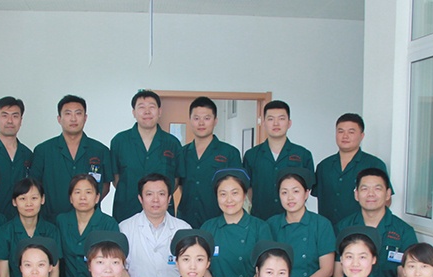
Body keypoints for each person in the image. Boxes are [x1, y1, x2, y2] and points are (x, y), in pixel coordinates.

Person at [30, 94, 112, 222]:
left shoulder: (100, 150)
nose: (73, 119)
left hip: (90, 221)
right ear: (59, 119)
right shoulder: (43, 150)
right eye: (68, 114)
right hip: (52, 221)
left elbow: (106, 185)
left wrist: (87, 204)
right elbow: (34, 186)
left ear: (85, 118)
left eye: (78, 113)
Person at [335, 167, 418, 277]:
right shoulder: (343, 227)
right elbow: (338, 272)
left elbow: (405, 276)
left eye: (377, 189)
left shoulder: (404, 231)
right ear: (356, 194)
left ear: (388, 194)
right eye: (364, 189)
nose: (371, 194)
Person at [201, 168, 272, 277]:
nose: (229, 200)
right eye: (223, 194)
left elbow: (266, 268)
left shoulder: (260, 228)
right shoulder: (208, 228)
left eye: (235, 193)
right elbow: (201, 265)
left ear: (244, 195)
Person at [110, 90, 182, 222]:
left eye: (152, 107)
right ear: (134, 112)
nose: (147, 112)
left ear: (159, 111)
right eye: (142, 107)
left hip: (162, 212)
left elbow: (176, 179)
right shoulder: (119, 141)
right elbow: (116, 178)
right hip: (127, 210)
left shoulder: (172, 143)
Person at [267, 168, 335, 277]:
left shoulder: (321, 224)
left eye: (296, 191)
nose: (290, 197)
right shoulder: (271, 225)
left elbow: (327, 270)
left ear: (306, 193)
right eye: (284, 192)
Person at [119, 173, 191, 277]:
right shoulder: (125, 228)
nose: (155, 199)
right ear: (140, 199)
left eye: (161, 194)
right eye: (149, 194)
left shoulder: (184, 229)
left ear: (169, 198)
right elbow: (120, 268)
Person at [313, 113, 391, 225]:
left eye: (351, 132)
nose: (345, 136)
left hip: (361, 229)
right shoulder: (324, 166)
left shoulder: (374, 164)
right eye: (340, 131)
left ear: (362, 136)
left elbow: (386, 200)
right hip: (328, 229)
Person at [243, 100, 314, 221]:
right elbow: (247, 187)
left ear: (289, 123)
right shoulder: (251, 155)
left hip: (293, 220)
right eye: (270, 119)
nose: (276, 123)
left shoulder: (303, 154)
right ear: (264, 123)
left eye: (281, 118)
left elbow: (308, 186)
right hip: (261, 219)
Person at [178, 96, 241, 228]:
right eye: (196, 118)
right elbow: (180, 184)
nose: (201, 123)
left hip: (219, 222)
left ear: (215, 120)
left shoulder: (230, 153)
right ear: (190, 120)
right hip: (186, 220)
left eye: (207, 118)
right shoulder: (182, 153)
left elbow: (238, 189)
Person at [0, 178, 62, 277]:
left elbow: (54, 271)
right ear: (14, 202)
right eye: (22, 199)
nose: (29, 204)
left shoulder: (51, 231)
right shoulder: (5, 231)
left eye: (34, 198)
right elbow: (4, 275)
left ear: (42, 199)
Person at [56, 174, 119, 277]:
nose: (83, 197)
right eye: (77, 192)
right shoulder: (61, 221)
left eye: (88, 192)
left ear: (97, 198)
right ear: (71, 198)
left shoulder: (108, 224)